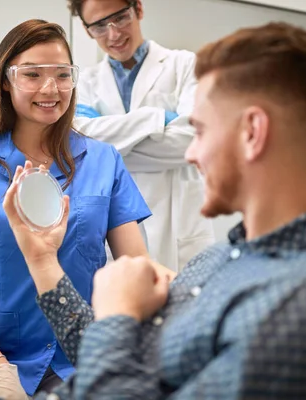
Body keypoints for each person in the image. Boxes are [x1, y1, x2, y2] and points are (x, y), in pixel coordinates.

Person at [4, 22, 306, 399]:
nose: (190, 153)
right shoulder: (222, 260)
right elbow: (118, 363)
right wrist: (43, 263)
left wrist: (118, 315)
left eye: (200, 131)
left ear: (252, 132)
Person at [0, 19, 153, 400]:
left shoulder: (105, 161)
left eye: (62, 75)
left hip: (82, 355)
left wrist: (117, 352)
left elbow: (137, 271)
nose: (50, 88)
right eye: (32, 74)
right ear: (5, 81)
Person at [67, 0, 215, 272]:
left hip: (180, 227)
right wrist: (156, 117)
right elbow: (81, 144)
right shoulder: (85, 83)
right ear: (88, 31)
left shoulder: (185, 65)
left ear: (138, 9)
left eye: (120, 18)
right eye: (99, 26)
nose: (113, 34)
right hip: (118, 233)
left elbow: (194, 140)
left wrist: (112, 151)